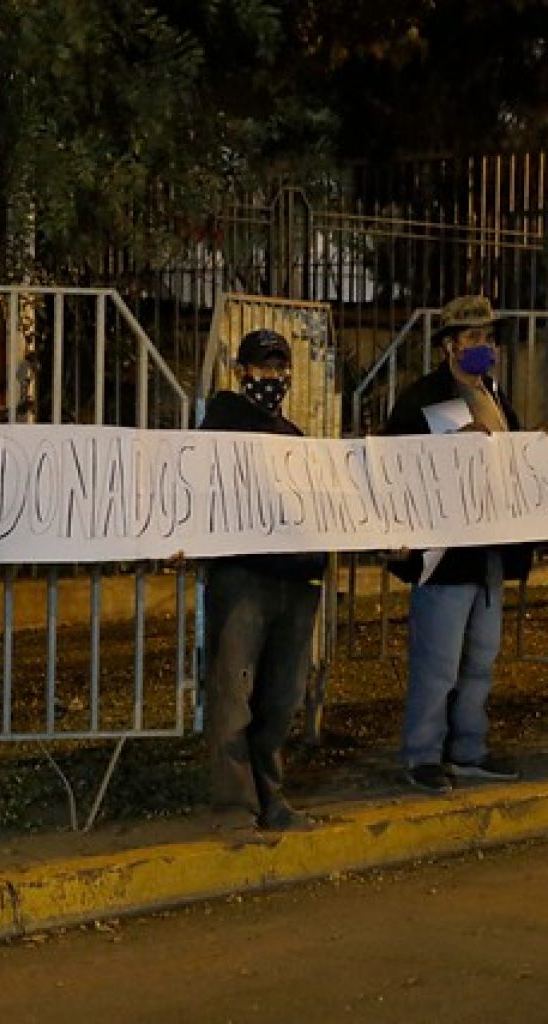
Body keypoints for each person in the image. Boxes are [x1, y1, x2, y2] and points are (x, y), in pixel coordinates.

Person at [383, 294, 531, 794]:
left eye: (488, 337)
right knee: (438, 663)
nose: (483, 345)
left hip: (488, 554)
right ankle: (422, 755)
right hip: (444, 557)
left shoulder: (496, 399)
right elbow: (394, 466)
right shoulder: (422, 399)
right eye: (472, 337)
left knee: (480, 661)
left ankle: (468, 750)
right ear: (448, 345)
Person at [200, 328, 328, 831]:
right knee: (234, 695)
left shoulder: (294, 439)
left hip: (296, 582)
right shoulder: (221, 428)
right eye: (263, 367)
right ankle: (236, 806)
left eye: (280, 367)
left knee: (281, 698)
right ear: (241, 372)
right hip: (244, 579)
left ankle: (271, 797)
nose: (273, 377)